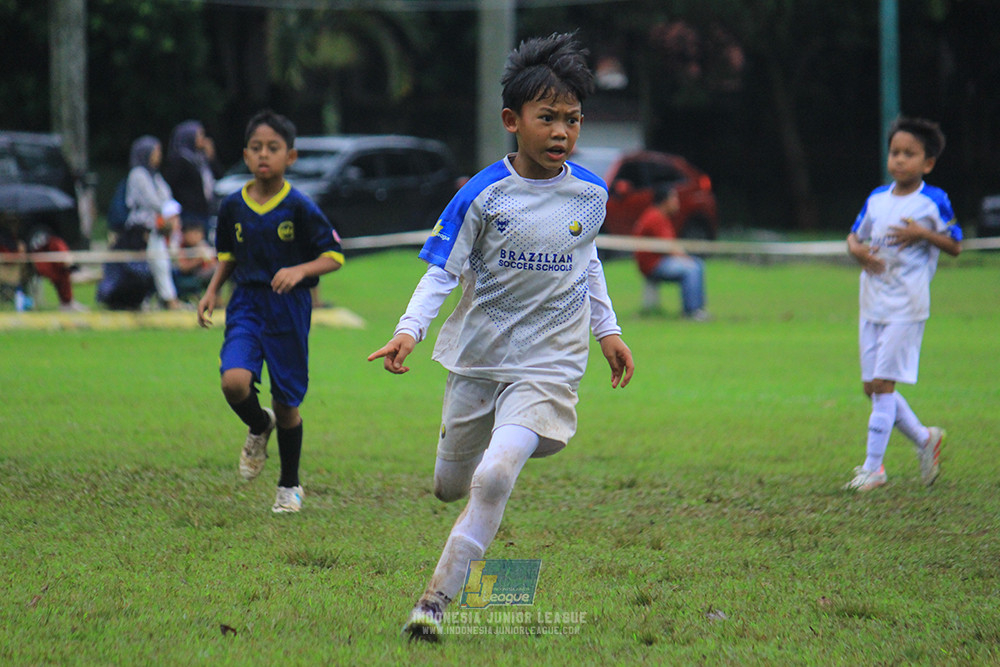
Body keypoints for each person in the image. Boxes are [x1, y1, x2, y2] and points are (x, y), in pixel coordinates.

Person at [368, 32, 635, 641]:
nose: (562, 131)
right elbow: (443, 271)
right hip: (478, 361)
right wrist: (409, 330)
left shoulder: (591, 194)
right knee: (450, 487)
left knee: (495, 476)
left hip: (549, 365)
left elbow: (587, 262)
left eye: (572, 119)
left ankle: (434, 604)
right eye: (548, 118)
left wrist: (608, 329)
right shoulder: (481, 195)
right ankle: (462, 486)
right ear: (513, 121)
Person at [197, 110, 344, 513]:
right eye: (256, 147)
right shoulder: (232, 206)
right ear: (245, 155)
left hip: (288, 308)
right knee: (233, 382)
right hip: (246, 302)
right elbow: (227, 255)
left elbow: (333, 256)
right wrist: (212, 291)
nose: (264, 154)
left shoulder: (300, 206)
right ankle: (259, 425)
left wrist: (300, 271)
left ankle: (289, 485)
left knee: (286, 402)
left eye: (273, 148)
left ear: (290, 157)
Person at [843, 116, 962, 492]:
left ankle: (873, 469)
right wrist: (857, 251)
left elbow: (955, 245)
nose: (899, 159)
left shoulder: (933, 200)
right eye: (894, 152)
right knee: (872, 388)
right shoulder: (877, 199)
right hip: (872, 302)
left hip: (906, 305)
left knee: (883, 385)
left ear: (928, 163)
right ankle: (925, 439)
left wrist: (922, 233)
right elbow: (854, 235)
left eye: (909, 154)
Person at [632, 183, 709, 320]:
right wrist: (686, 259)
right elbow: (669, 247)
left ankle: (697, 309)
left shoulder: (658, 215)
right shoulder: (655, 217)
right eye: (674, 198)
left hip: (658, 260)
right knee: (692, 268)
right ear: (665, 201)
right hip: (653, 265)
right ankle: (692, 312)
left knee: (697, 264)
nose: (677, 202)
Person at [123, 135, 182, 310]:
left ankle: (167, 298)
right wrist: (167, 209)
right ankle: (168, 299)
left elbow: (167, 197)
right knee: (152, 264)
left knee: (161, 262)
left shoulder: (155, 175)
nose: (158, 155)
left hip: (158, 227)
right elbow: (153, 201)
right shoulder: (138, 174)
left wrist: (170, 212)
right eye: (155, 151)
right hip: (142, 228)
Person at [0, 211, 87, 312]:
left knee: (54, 245)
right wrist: (18, 251)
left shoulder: (23, 230)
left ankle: (67, 297)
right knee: (56, 265)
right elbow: (11, 255)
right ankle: (71, 270)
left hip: (28, 263)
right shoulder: (5, 235)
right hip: (14, 267)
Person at [163, 120, 224, 240]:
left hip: (204, 211)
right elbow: (170, 185)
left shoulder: (201, 159)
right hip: (188, 212)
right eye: (199, 135)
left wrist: (212, 158)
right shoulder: (179, 160)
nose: (203, 139)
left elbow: (219, 176)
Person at [172, 220, 217, 302]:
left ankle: (216, 300)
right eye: (193, 234)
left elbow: (212, 264)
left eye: (198, 233)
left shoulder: (203, 246)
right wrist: (198, 260)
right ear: (185, 234)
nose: (195, 237)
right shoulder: (180, 247)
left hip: (202, 275)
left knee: (216, 271)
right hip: (184, 277)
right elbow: (182, 268)